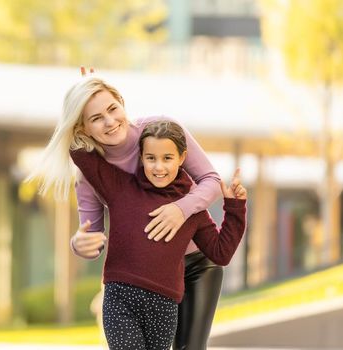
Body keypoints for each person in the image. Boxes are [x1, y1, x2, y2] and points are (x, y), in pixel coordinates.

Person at [27, 74, 225, 349]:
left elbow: (212, 181)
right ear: (82, 129)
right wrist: (79, 243)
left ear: (122, 103)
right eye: (96, 118)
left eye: (112, 109)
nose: (110, 121)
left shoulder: (163, 130)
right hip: (144, 279)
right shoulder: (90, 175)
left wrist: (180, 210)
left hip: (196, 265)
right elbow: (90, 235)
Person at [69, 120, 247, 349]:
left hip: (163, 306)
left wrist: (235, 207)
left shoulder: (192, 211)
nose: (158, 167)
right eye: (151, 158)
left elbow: (220, 253)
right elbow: (78, 151)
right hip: (121, 300)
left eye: (167, 158)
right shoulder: (120, 187)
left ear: (182, 158)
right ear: (140, 157)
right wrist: (119, 122)